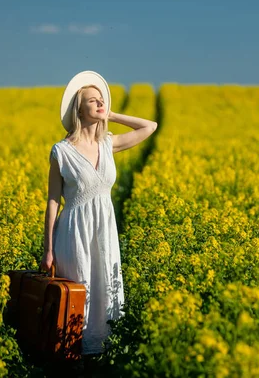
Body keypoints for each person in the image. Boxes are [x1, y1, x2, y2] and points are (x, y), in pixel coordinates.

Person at [40, 71, 158, 356]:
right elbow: (53, 201)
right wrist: (48, 249)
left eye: (101, 100)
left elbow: (150, 126)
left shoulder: (109, 144)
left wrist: (112, 114)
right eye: (92, 101)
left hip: (104, 230)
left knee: (105, 289)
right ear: (79, 109)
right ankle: (70, 360)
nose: (99, 104)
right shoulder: (62, 151)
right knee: (81, 292)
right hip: (74, 231)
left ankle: (101, 358)